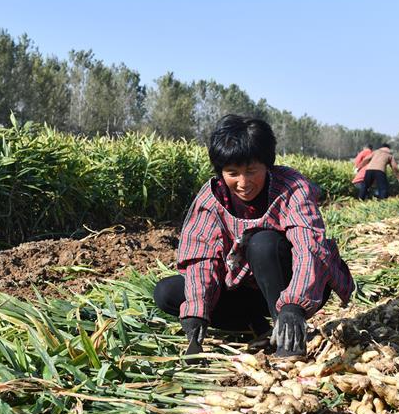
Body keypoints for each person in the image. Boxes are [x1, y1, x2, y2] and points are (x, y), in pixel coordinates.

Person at [152, 115, 355, 359]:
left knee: (262, 243)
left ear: (267, 165)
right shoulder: (211, 198)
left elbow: (309, 246)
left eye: (251, 171)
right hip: (243, 287)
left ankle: (288, 337)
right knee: (167, 292)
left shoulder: (291, 187)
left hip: (294, 282)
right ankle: (255, 327)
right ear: (220, 172)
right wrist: (197, 311)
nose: (243, 182)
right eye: (232, 173)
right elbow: (202, 258)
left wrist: (294, 305)